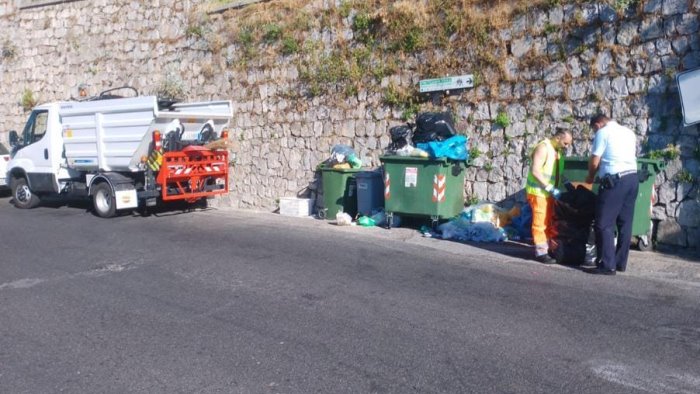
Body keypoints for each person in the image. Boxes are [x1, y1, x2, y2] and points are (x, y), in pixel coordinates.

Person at [585, 114, 638, 275]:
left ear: (598, 124)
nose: (595, 132)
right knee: (625, 223)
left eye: (594, 129)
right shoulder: (629, 132)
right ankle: (620, 262)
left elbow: (595, 160)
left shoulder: (603, 132)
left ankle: (608, 265)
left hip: (615, 181)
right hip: (633, 179)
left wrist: (590, 177)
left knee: (603, 223)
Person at [525, 128, 573, 264]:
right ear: (558, 138)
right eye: (565, 143)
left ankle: (546, 248)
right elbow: (535, 170)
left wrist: (565, 182)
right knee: (540, 222)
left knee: (548, 222)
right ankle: (541, 252)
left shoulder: (556, 152)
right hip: (539, 192)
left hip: (549, 193)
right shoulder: (543, 148)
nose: (566, 147)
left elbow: (556, 172)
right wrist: (548, 187)